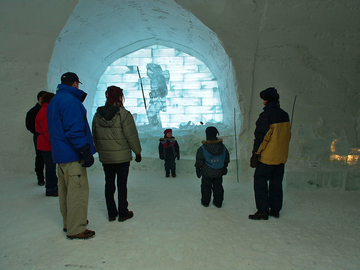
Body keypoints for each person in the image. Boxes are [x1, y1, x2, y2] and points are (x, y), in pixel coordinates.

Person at [47, 72, 96, 239]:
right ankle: (76, 228)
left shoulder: (55, 100)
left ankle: (69, 222)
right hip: (72, 155)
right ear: (75, 84)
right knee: (78, 192)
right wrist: (84, 150)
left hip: (60, 155)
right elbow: (74, 129)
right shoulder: (70, 101)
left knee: (66, 191)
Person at [92, 86, 142, 222]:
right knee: (121, 185)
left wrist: (99, 150)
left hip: (106, 157)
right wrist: (137, 152)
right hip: (122, 157)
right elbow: (131, 135)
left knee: (109, 184)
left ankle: (111, 213)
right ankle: (123, 212)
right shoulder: (124, 114)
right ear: (120, 97)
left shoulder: (98, 115)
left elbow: (94, 136)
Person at [249, 87, 291, 220]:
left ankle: (262, 211)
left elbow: (261, 138)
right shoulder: (284, 115)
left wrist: (255, 153)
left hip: (267, 157)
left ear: (266, 100)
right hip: (281, 157)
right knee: (276, 183)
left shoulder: (266, 116)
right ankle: (275, 209)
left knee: (260, 181)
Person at [195, 126, 230, 208]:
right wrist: (224, 167)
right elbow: (226, 158)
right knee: (218, 187)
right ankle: (218, 202)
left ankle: (205, 202)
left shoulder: (203, 148)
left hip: (206, 172)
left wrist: (198, 169)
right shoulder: (222, 147)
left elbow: (199, 160)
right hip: (219, 171)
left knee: (206, 187)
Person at [35, 92, 58, 197]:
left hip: (43, 142)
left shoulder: (43, 110)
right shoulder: (46, 111)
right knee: (50, 167)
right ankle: (51, 188)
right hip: (46, 144)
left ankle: (52, 186)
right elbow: (47, 130)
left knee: (50, 166)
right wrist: (54, 142)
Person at [25, 91, 47, 186]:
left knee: (50, 158)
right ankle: (40, 178)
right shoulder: (33, 111)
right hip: (39, 137)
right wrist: (39, 132)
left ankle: (51, 176)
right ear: (40, 98)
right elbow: (29, 126)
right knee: (40, 157)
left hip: (47, 136)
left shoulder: (48, 109)